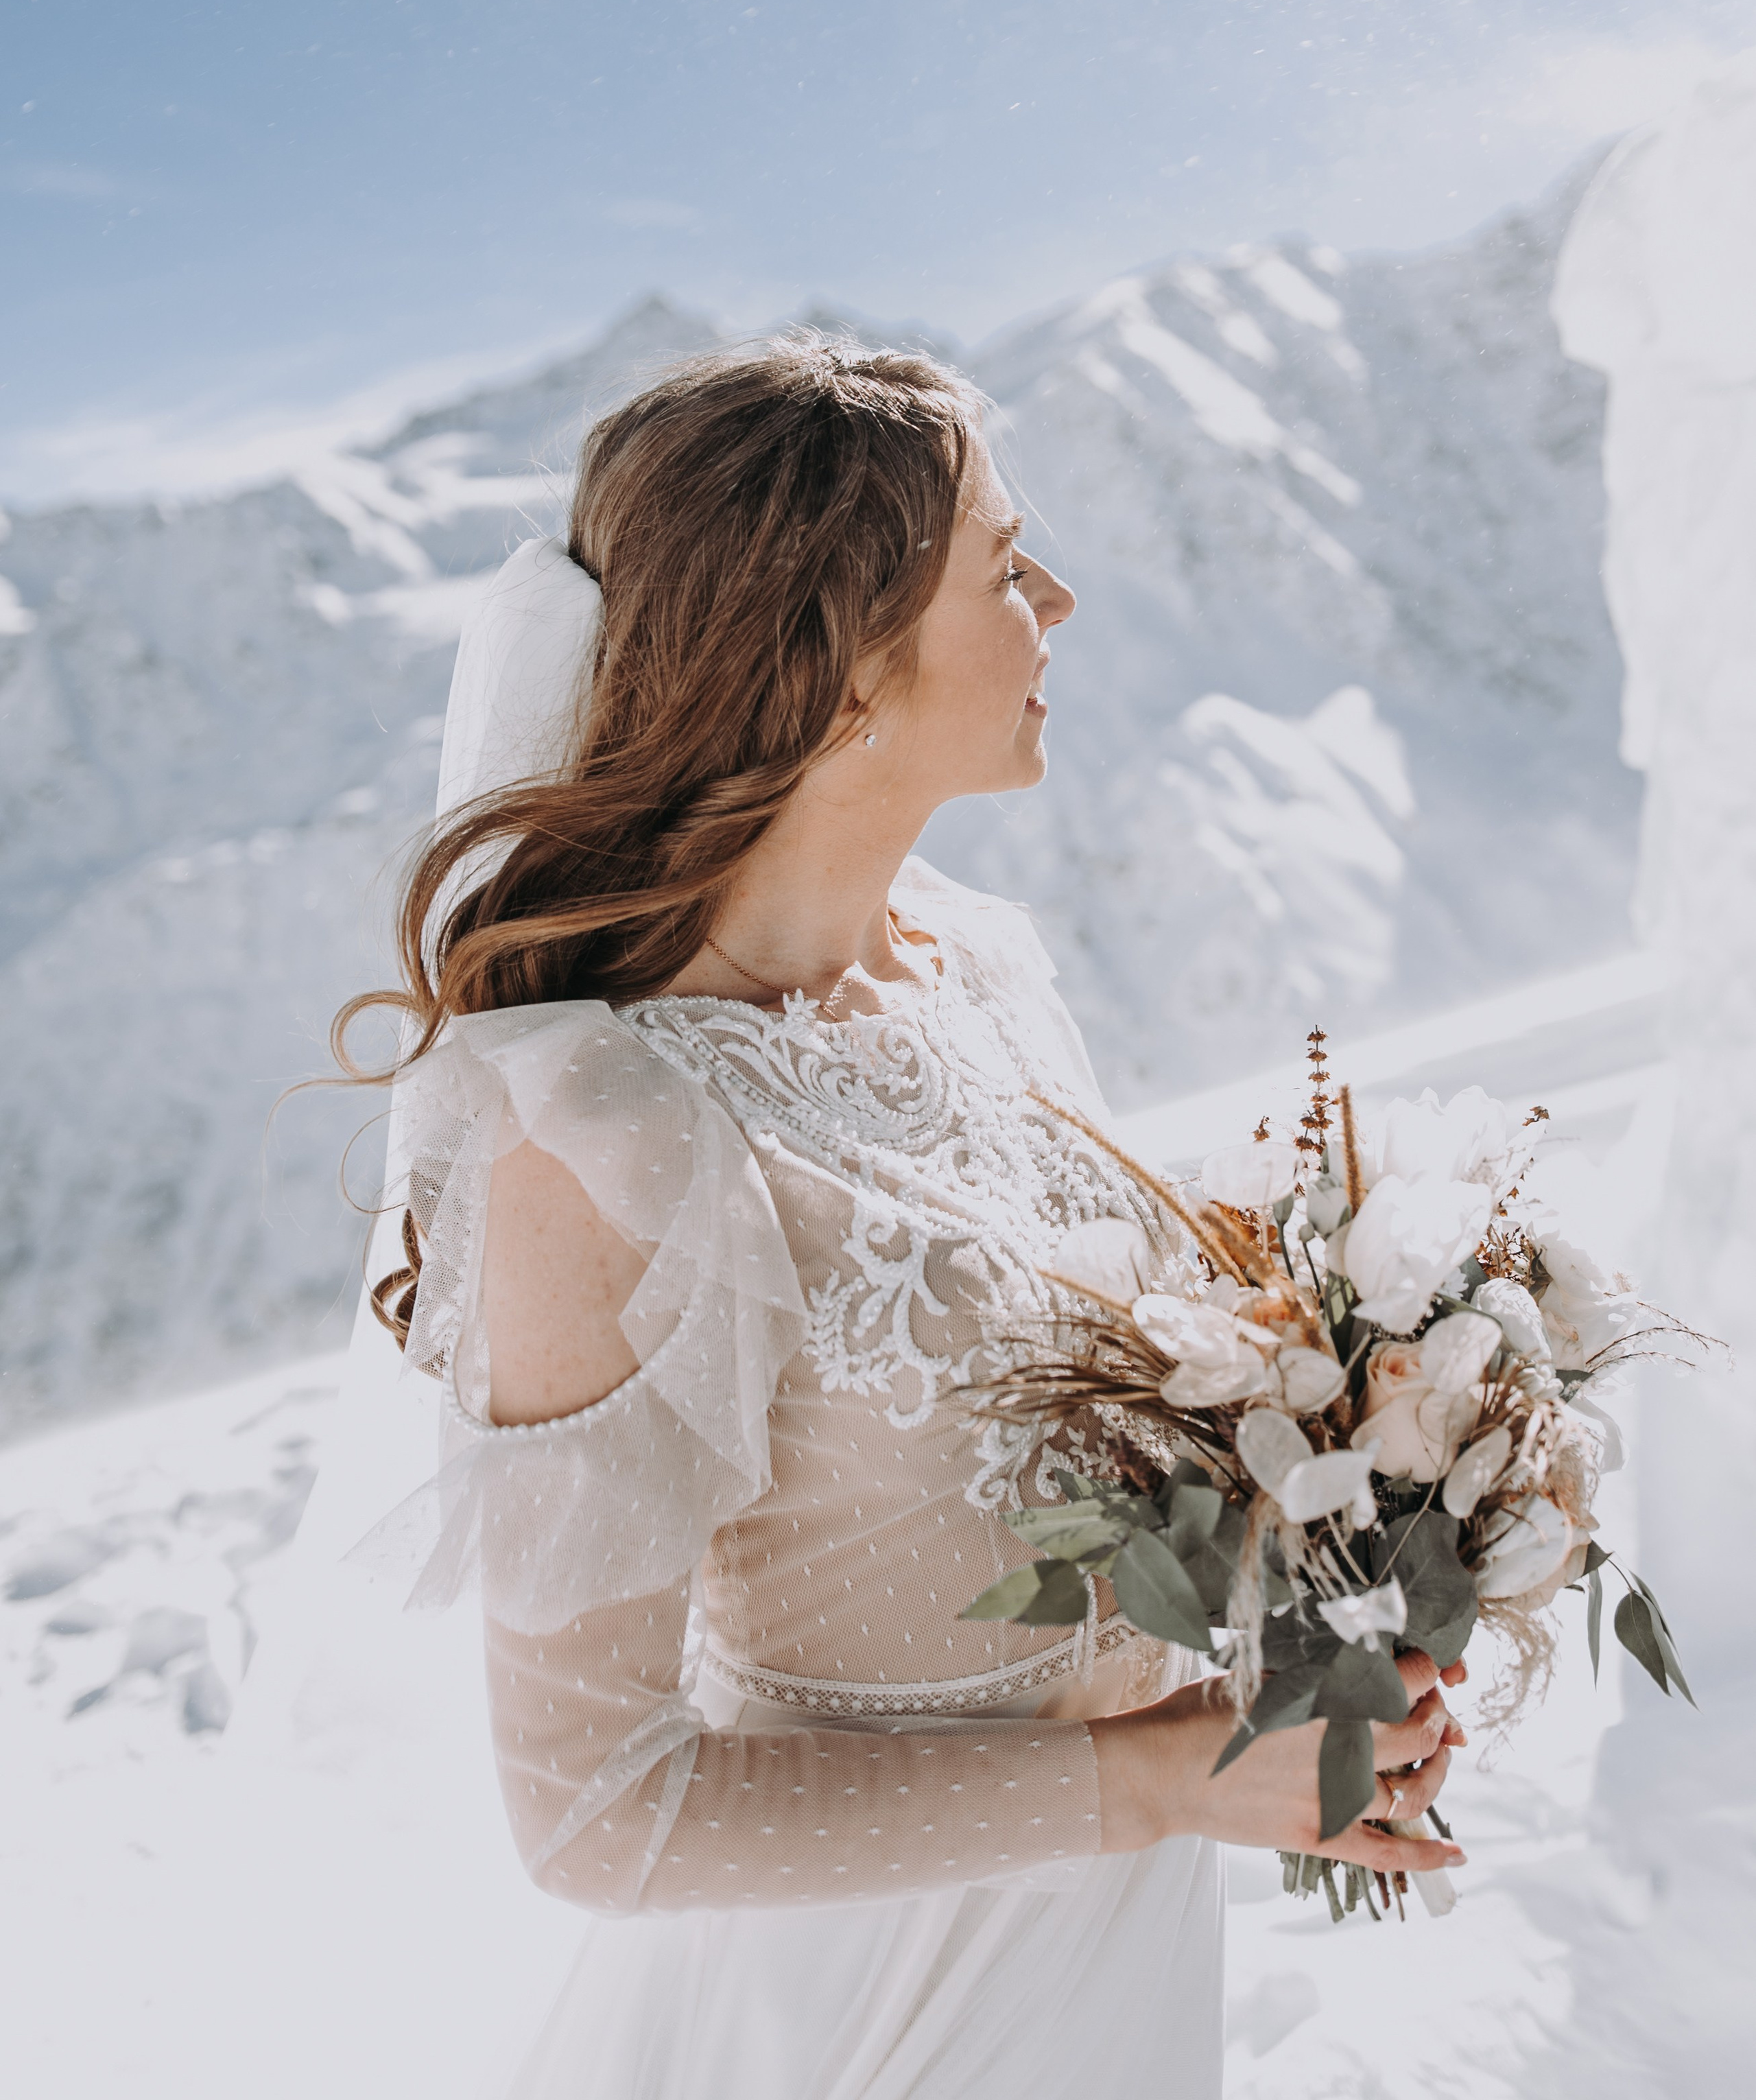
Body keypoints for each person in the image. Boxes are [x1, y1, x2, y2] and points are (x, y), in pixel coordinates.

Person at [338, 338, 1464, 2099]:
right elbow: (595, 1815)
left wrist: (1317, 1629)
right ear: (843, 666)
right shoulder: (601, 1140)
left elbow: (1071, 1441)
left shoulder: (975, 964)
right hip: (861, 2008)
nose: (1060, 598)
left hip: (1117, 1951)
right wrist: (1166, 1783)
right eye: (1007, 567)